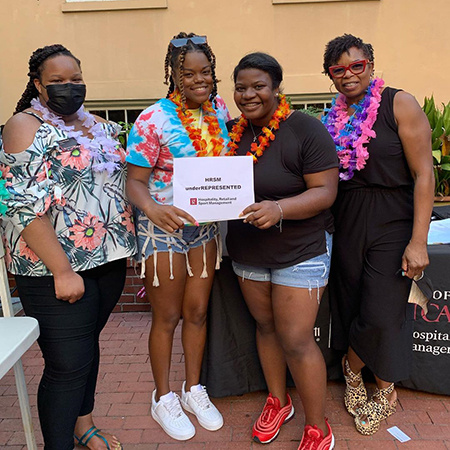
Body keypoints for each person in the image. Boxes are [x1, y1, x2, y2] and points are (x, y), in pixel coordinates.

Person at [0, 44, 136, 450]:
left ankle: (85, 427)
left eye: (75, 79)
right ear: (39, 85)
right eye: (57, 81)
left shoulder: (100, 126)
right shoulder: (24, 125)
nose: (69, 87)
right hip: (52, 268)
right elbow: (20, 204)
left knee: (85, 353)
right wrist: (62, 269)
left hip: (107, 260)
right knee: (66, 366)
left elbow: (122, 182)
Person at [321, 34, 434, 435]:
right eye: (339, 69)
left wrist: (418, 240)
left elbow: (425, 173)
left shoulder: (398, 103)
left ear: (370, 64)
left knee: (381, 310)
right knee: (351, 302)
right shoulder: (332, 118)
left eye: (357, 65)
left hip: (393, 218)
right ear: (330, 75)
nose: (349, 74)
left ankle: (367, 378)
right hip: (348, 218)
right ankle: (361, 377)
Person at [226, 52, 338, 450]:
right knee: (267, 328)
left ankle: (317, 426)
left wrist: (279, 209)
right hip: (248, 250)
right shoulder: (230, 133)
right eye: (241, 87)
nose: (249, 94)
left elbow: (326, 191)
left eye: (258, 86)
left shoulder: (305, 129)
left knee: (296, 339)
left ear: (276, 88)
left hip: (301, 249)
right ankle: (278, 401)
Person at [125, 32, 230, 441]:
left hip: (204, 229)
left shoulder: (219, 109)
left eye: (205, 72)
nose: (198, 80)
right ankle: (163, 396)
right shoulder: (152, 119)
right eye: (188, 74)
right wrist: (154, 209)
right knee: (167, 317)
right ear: (174, 74)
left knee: (198, 313)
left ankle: (193, 389)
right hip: (162, 229)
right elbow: (134, 182)